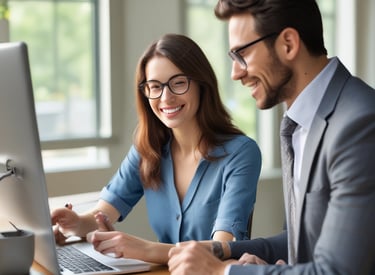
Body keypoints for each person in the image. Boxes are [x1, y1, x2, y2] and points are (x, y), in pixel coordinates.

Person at [168, 0, 375, 274]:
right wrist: (221, 250)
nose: (235, 73)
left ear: (288, 43)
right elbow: (298, 240)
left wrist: (221, 271)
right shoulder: (300, 122)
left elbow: (337, 271)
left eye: (242, 54)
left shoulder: (359, 124)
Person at [51, 33, 262, 264]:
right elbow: (101, 214)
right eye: (154, 86)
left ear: (202, 84)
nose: (166, 97)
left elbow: (223, 247)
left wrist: (144, 249)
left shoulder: (241, 153)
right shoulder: (147, 149)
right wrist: (74, 223)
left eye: (178, 83)